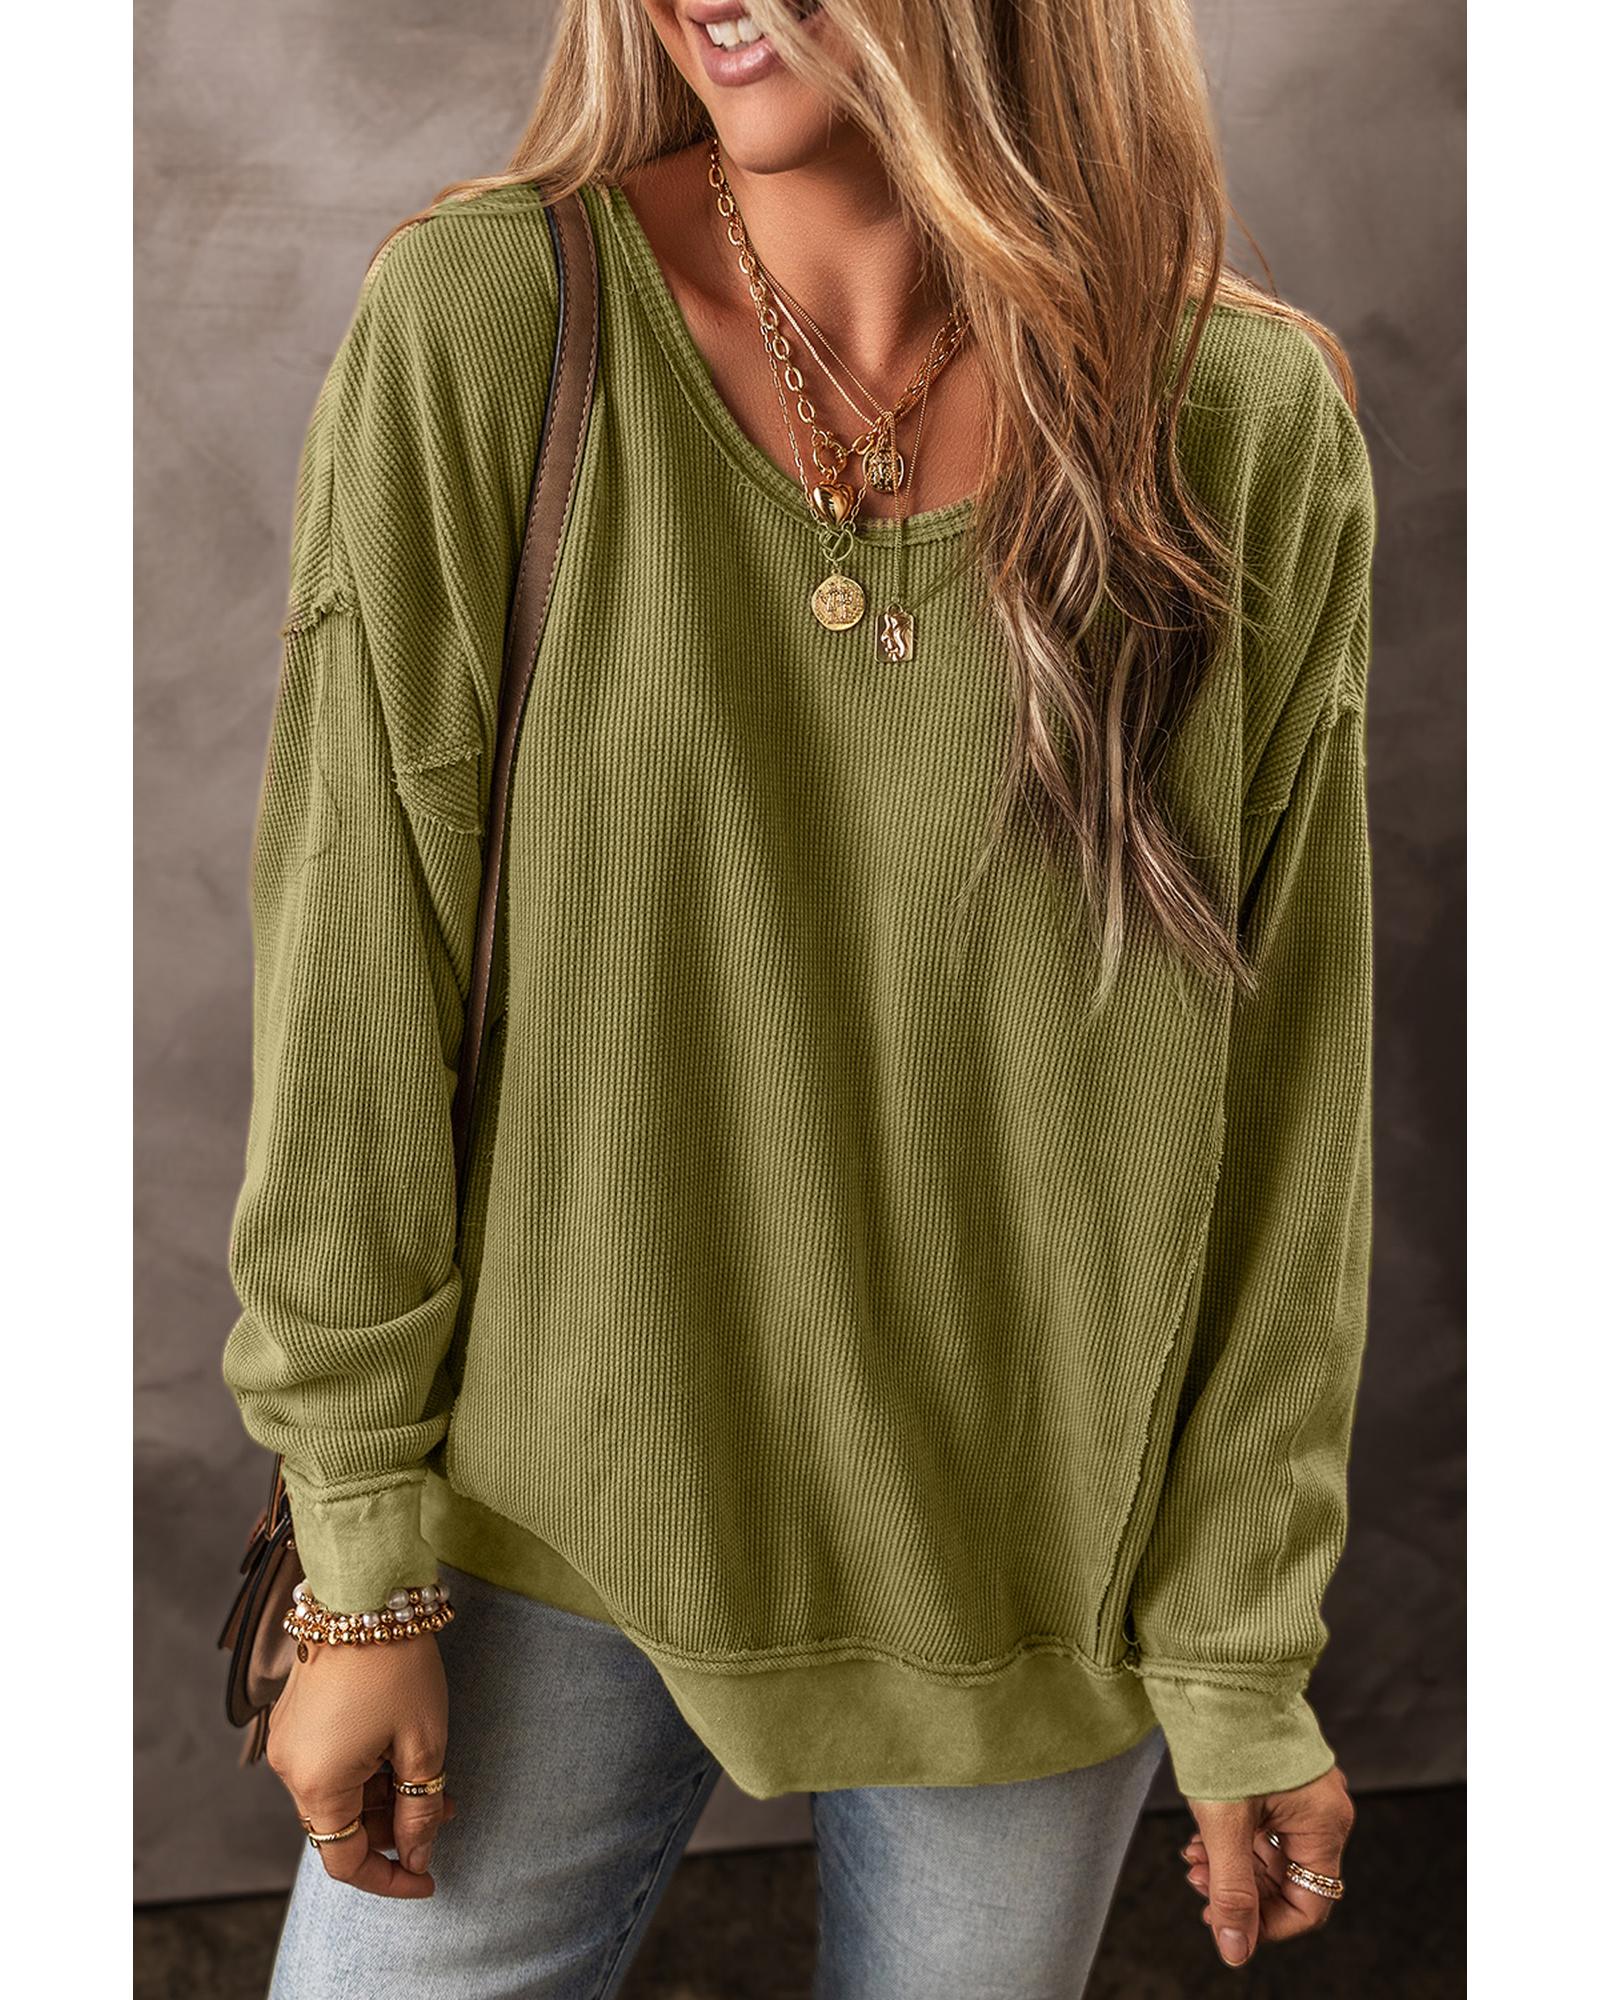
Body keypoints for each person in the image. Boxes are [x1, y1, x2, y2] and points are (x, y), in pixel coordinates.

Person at [221, 3, 1377, 1994]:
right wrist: (358, 1566)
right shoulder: (498, 324)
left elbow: (1285, 1104)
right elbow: (352, 976)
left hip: (1032, 1570)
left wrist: (1238, 1651)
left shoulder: (1239, 424)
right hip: (555, 1507)